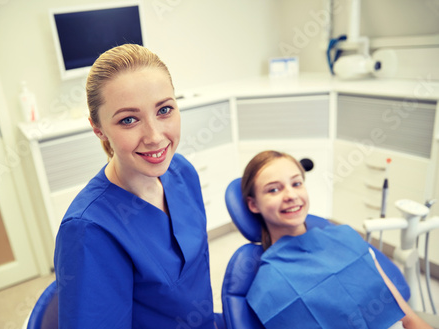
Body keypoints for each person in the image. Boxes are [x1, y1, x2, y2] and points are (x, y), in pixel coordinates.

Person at [54, 44, 215, 329]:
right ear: (98, 128)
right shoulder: (89, 231)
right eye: (128, 120)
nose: (154, 137)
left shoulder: (182, 172)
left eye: (164, 110)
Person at [240, 150, 431, 329]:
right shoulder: (268, 286)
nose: (291, 195)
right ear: (253, 204)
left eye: (297, 183)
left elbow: (408, 316)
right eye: (273, 190)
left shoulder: (347, 238)